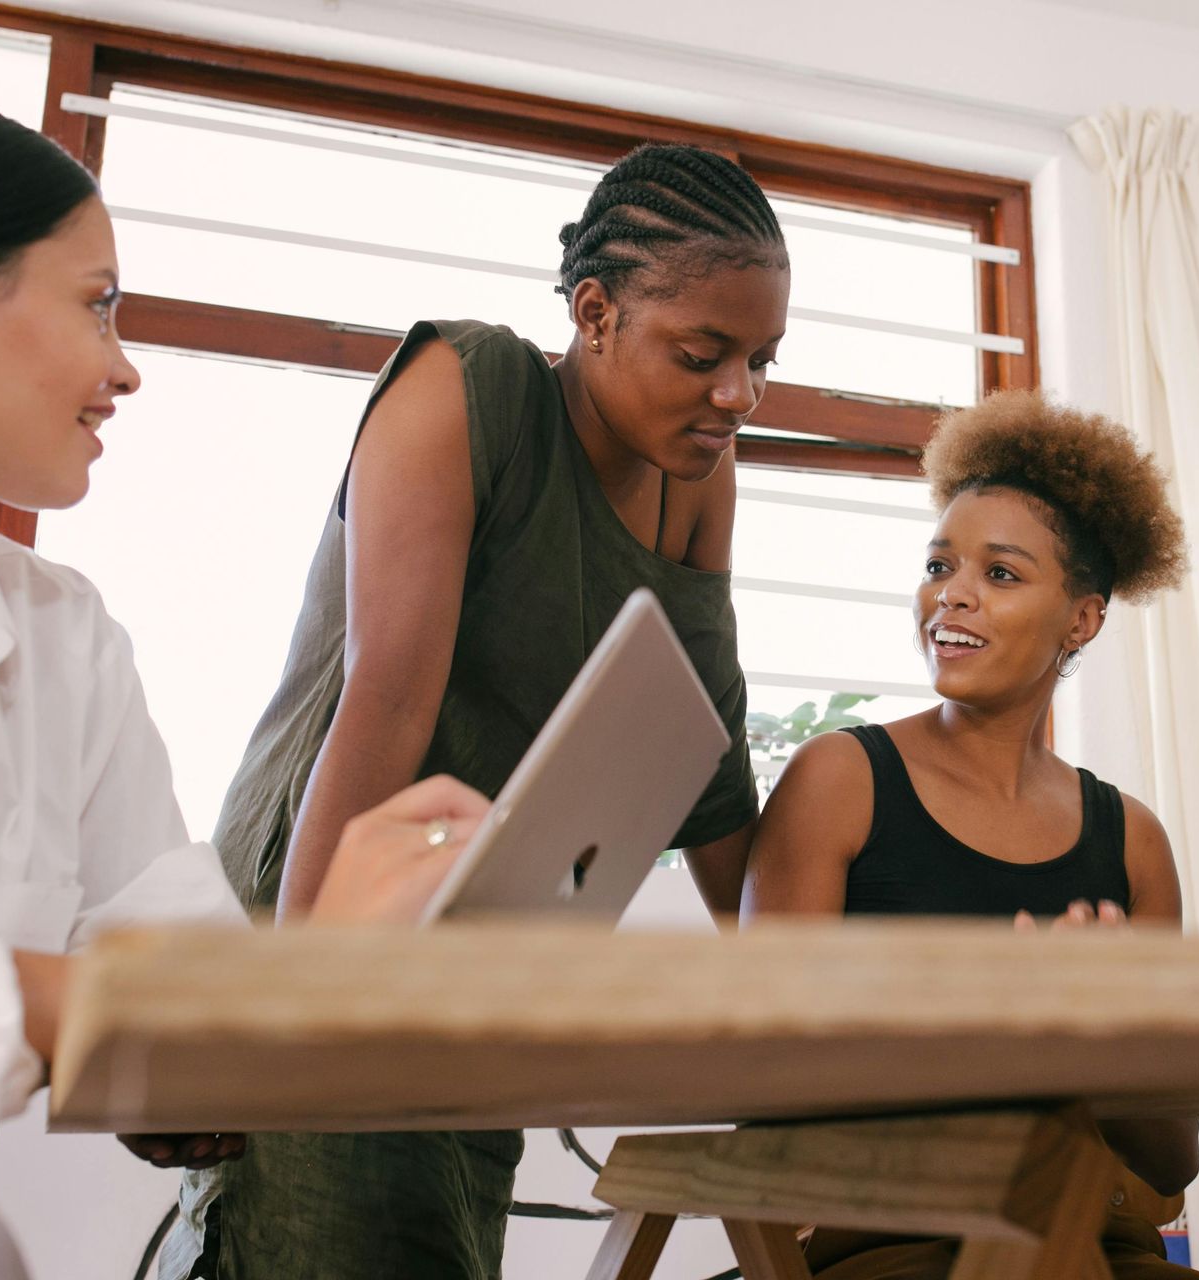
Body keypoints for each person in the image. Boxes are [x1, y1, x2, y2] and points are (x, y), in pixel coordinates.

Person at [0, 91, 487, 1279]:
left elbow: (180, 1021)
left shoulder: (61, 639)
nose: (124, 367)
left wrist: (317, 973)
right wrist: (70, 998)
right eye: (96, 305)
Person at [164, 144, 788, 1279]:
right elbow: (386, 703)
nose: (736, 394)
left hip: (481, 949)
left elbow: (706, 752)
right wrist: (285, 1010)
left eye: (761, 360)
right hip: (324, 906)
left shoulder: (701, 472)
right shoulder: (466, 386)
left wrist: (808, 989)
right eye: (703, 355)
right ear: (594, 313)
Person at [743, 390, 1199, 1280]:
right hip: (892, 1248)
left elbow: (1170, 1158)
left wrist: (1110, 1036)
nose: (950, 595)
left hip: (1101, 1252)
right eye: (938, 565)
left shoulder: (1133, 841)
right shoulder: (839, 782)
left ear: (1082, 618)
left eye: (999, 574)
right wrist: (1006, 1027)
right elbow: (766, 1082)